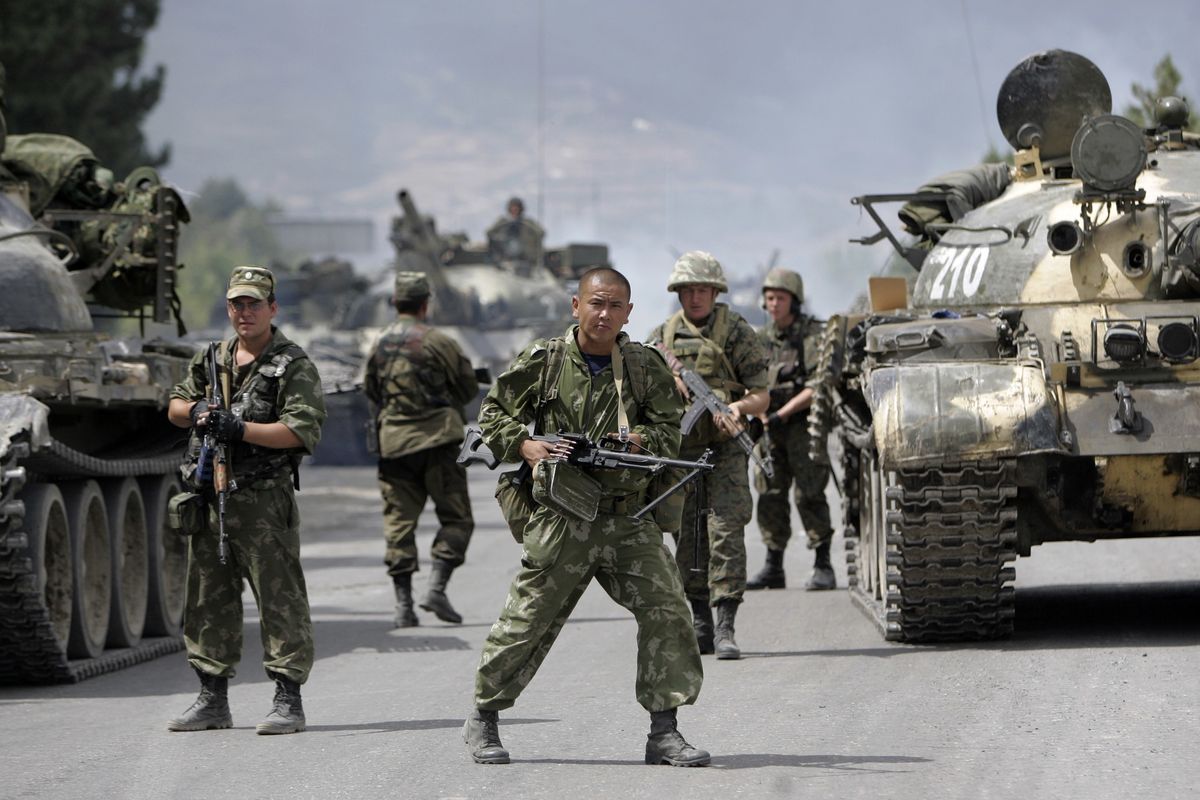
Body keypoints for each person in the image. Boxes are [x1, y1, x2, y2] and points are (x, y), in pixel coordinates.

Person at [463, 267, 710, 767]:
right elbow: (492, 414)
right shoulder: (545, 360)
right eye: (596, 303)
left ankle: (664, 732)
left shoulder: (643, 366)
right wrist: (527, 446)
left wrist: (639, 441)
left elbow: (669, 433)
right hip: (563, 516)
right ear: (576, 306)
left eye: (615, 306)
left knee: (667, 609)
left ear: (628, 313)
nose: (604, 314)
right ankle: (484, 718)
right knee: (527, 620)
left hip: (628, 517)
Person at [165, 265, 326, 735]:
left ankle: (288, 699)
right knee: (208, 599)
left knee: (279, 599)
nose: (245, 312)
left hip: (263, 501)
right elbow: (175, 406)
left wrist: (240, 429)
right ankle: (212, 699)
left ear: (272, 308)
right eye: (237, 304)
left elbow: (300, 431)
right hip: (211, 498)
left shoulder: (291, 364)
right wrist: (197, 409)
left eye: (254, 304)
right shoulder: (211, 358)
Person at [647, 251, 769, 661]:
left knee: (726, 530)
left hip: (726, 448)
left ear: (715, 292)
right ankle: (699, 620)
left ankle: (725, 625)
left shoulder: (735, 332)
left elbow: (761, 395)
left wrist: (736, 409)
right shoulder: (661, 337)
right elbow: (638, 394)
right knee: (687, 534)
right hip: (681, 452)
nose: (695, 297)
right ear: (678, 293)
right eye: (688, 290)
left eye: (703, 290)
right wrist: (671, 381)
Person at [364, 271, 478, 627]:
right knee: (456, 518)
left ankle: (403, 606)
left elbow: (371, 389)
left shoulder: (379, 344)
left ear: (395, 303)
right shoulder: (440, 342)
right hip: (439, 442)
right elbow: (467, 388)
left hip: (394, 446)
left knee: (399, 525)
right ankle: (436, 589)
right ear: (426, 304)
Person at [747, 268, 836, 591]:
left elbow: (817, 384)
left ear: (794, 301)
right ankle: (774, 566)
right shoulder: (760, 338)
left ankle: (823, 564)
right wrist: (760, 412)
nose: (774, 304)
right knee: (770, 494)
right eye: (770, 298)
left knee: (809, 493)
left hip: (801, 425)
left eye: (780, 298)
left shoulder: (811, 337)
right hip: (769, 427)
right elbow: (748, 380)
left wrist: (782, 413)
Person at [485, 196, 544, 272]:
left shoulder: (528, 222)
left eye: (517, 207)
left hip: (526, 257)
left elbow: (540, 232)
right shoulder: (502, 221)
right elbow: (489, 233)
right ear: (509, 209)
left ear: (521, 209)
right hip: (503, 256)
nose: (515, 209)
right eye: (513, 207)